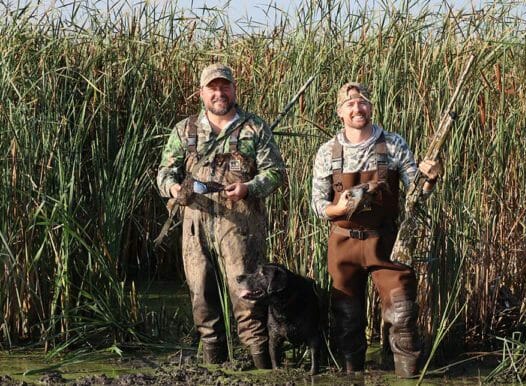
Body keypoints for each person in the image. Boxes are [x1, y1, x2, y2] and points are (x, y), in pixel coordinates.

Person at [157, 63, 285, 369]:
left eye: (224, 86)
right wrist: (174, 189)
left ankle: (261, 369)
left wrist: (249, 187)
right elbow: (164, 173)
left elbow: (276, 173)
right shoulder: (184, 130)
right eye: (212, 88)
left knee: (247, 297)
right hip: (195, 226)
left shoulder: (254, 128)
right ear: (201, 92)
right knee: (201, 297)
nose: (219, 93)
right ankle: (213, 368)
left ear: (233, 89)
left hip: (240, 226)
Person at [311, 82, 442, 377]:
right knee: (346, 319)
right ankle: (351, 376)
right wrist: (339, 209)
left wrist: (430, 179)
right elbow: (318, 205)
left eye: (362, 103)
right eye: (350, 105)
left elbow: (415, 195)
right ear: (340, 113)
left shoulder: (393, 144)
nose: (357, 109)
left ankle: (407, 376)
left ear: (370, 107)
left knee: (403, 314)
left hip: (386, 242)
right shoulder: (327, 152)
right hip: (343, 244)